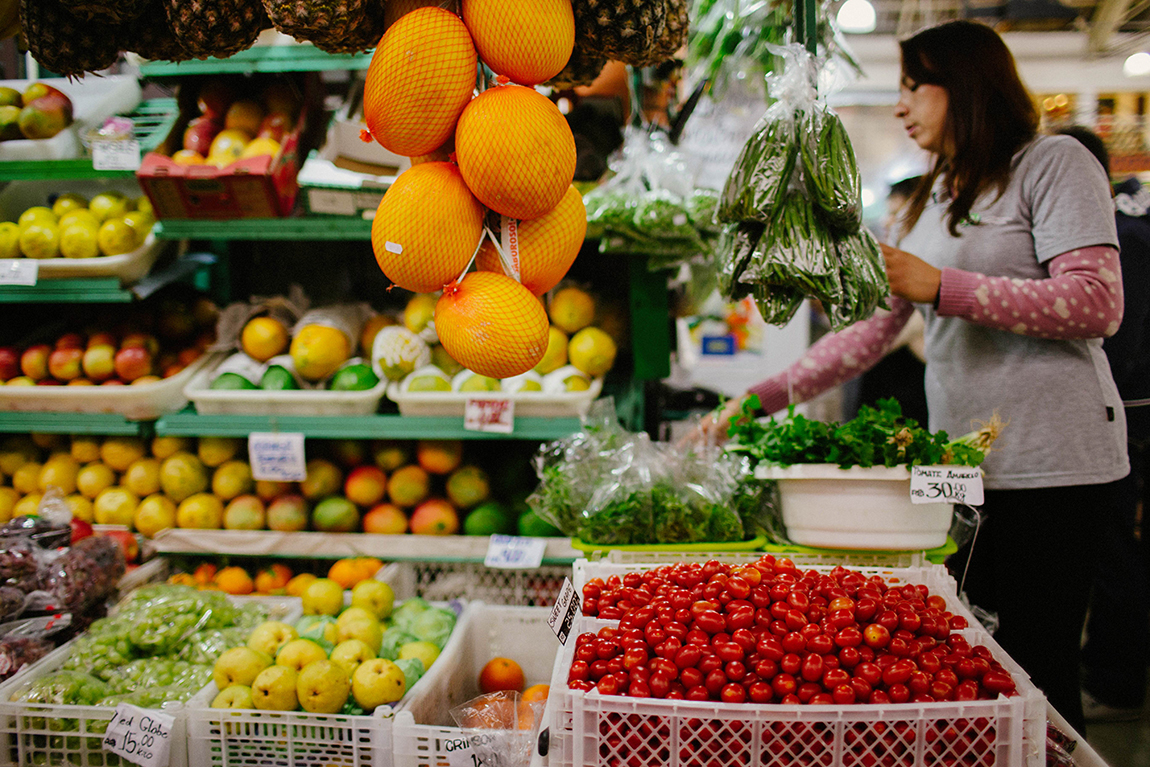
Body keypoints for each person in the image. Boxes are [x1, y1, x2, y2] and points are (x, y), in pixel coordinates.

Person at [697, 20, 1127, 733]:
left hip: (1055, 467)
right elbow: (870, 333)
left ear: (965, 84)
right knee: (973, 661)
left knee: (1040, 669)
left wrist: (942, 285)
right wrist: (757, 400)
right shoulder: (931, 194)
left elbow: (1096, 302)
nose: (901, 106)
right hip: (959, 472)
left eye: (911, 86)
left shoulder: (1052, 164)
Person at [1055, 125, 1150, 721]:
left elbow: (1117, 330)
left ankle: (1115, 682)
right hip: (1120, 412)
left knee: (1116, 554)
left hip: (1127, 417)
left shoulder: (1126, 238)